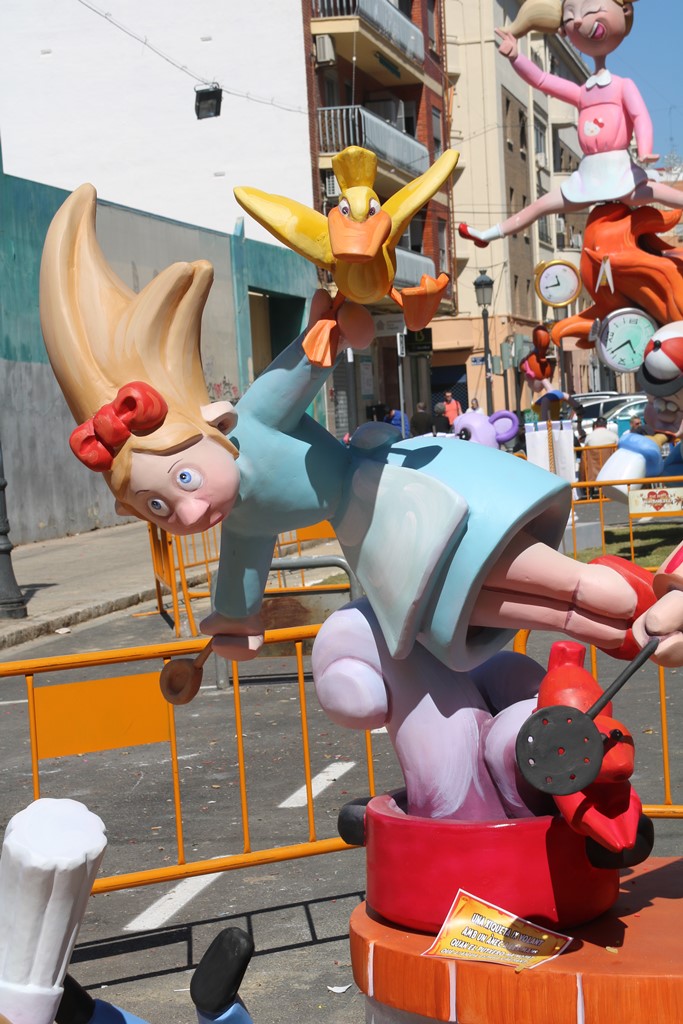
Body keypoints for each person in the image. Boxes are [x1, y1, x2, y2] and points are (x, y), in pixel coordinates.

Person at [458, 0, 683, 248]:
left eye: (591, 11)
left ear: (625, 11)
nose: (577, 21)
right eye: (569, 17)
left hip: (620, 172)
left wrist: (645, 149)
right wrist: (515, 57)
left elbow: (640, 116)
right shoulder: (581, 92)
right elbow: (542, 80)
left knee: (664, 193)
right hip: (588, 175)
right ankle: (488, 235)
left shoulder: (622, 85)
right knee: (539, 206)